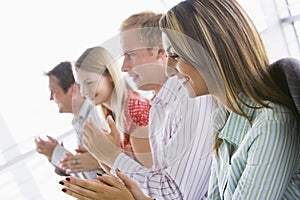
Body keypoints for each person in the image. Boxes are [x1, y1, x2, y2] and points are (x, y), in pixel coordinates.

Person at [60, 11, 216, 200]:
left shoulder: (187, 101)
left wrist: (113, 156)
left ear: (161, 51)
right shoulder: (158, 108)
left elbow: (174, 195)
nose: (124, 67)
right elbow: (154, 185)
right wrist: (109, 159)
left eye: (130, 55)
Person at [159, 0, 300, 199]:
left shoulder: (272, 123)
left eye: (175, 55)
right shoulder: (225, 120)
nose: (168, 71)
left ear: (211, 51)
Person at [73, 46, 152, 167]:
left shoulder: (135, 111)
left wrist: (104, 158)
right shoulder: (110, 114)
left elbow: (152, 175)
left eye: (89, 83)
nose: (84, 92)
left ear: (110, 75)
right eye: (80, 85)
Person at [35, 61, 103, 179]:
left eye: (54, 92)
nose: (51, 98)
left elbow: (95, 178)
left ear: (73, 89)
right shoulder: (81, 120)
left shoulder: (95, 117)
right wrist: (58, 159)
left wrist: (56, 153)